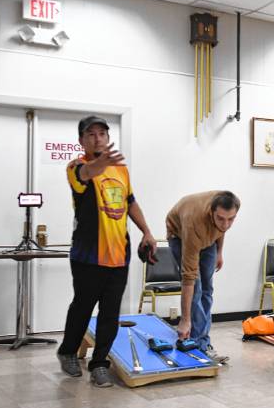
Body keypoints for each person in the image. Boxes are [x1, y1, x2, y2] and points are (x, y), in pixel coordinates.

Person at [57, 116, 157, 388]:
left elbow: (131, 202)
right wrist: (99, 163)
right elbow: (85, 174)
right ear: (81, 141)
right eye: (91, 134)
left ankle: (100, 363)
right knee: (82, 307)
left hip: (119, 255)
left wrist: (147, 231)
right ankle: (67, 352)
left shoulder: (120, 170)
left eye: (103, 133)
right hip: (87, 257)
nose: (98, 138)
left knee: (111, 313)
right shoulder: (75, 166)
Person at [166, 190, 240, 363]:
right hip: (179, 235)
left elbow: (221, 229)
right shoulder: (194, 223)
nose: (226, 223)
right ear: (211, 212)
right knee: (197, 288)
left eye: (231, 219)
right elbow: (188, 277)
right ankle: (199, 344)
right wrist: (184, 320)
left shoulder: (229, 207)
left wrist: (219, 252)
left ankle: (202, 341)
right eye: (221, 218)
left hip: (208, 240)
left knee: (208, 288)